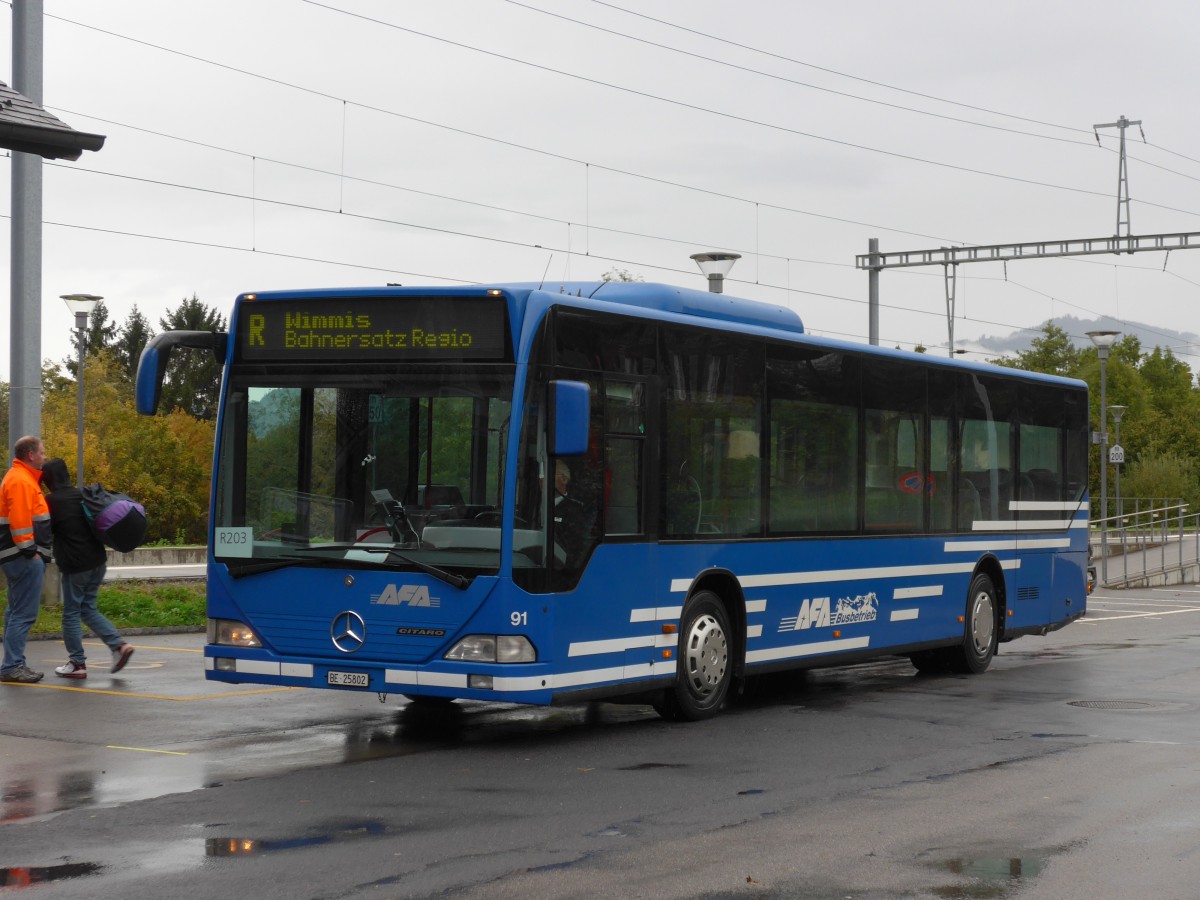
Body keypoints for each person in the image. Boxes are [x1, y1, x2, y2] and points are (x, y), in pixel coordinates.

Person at [41, 458, 134, 679]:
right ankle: (119, 646)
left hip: (76, 565)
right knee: (87, 608)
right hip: (97, 561)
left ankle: (77, 663)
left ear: (47, 481)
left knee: (71, 613)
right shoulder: (82, 495)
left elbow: (43, 533)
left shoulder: (51, 501)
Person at [0, 435, 52, 683]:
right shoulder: (21, 481)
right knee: (22, 614)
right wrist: (32, 551)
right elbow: (21, 522)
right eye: (41, 452)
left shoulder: (19, 478)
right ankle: (12, 666)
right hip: (22, 556)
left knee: (15, 612)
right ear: (30, 455)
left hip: (16, 555)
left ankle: (13, 664)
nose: (44, 457)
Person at [552, 459, 593, 567]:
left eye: (549, 473)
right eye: (541, 474)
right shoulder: (531, 505)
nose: (542, 478)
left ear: (564, 479)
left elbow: (575, 547)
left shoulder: (575, 510)